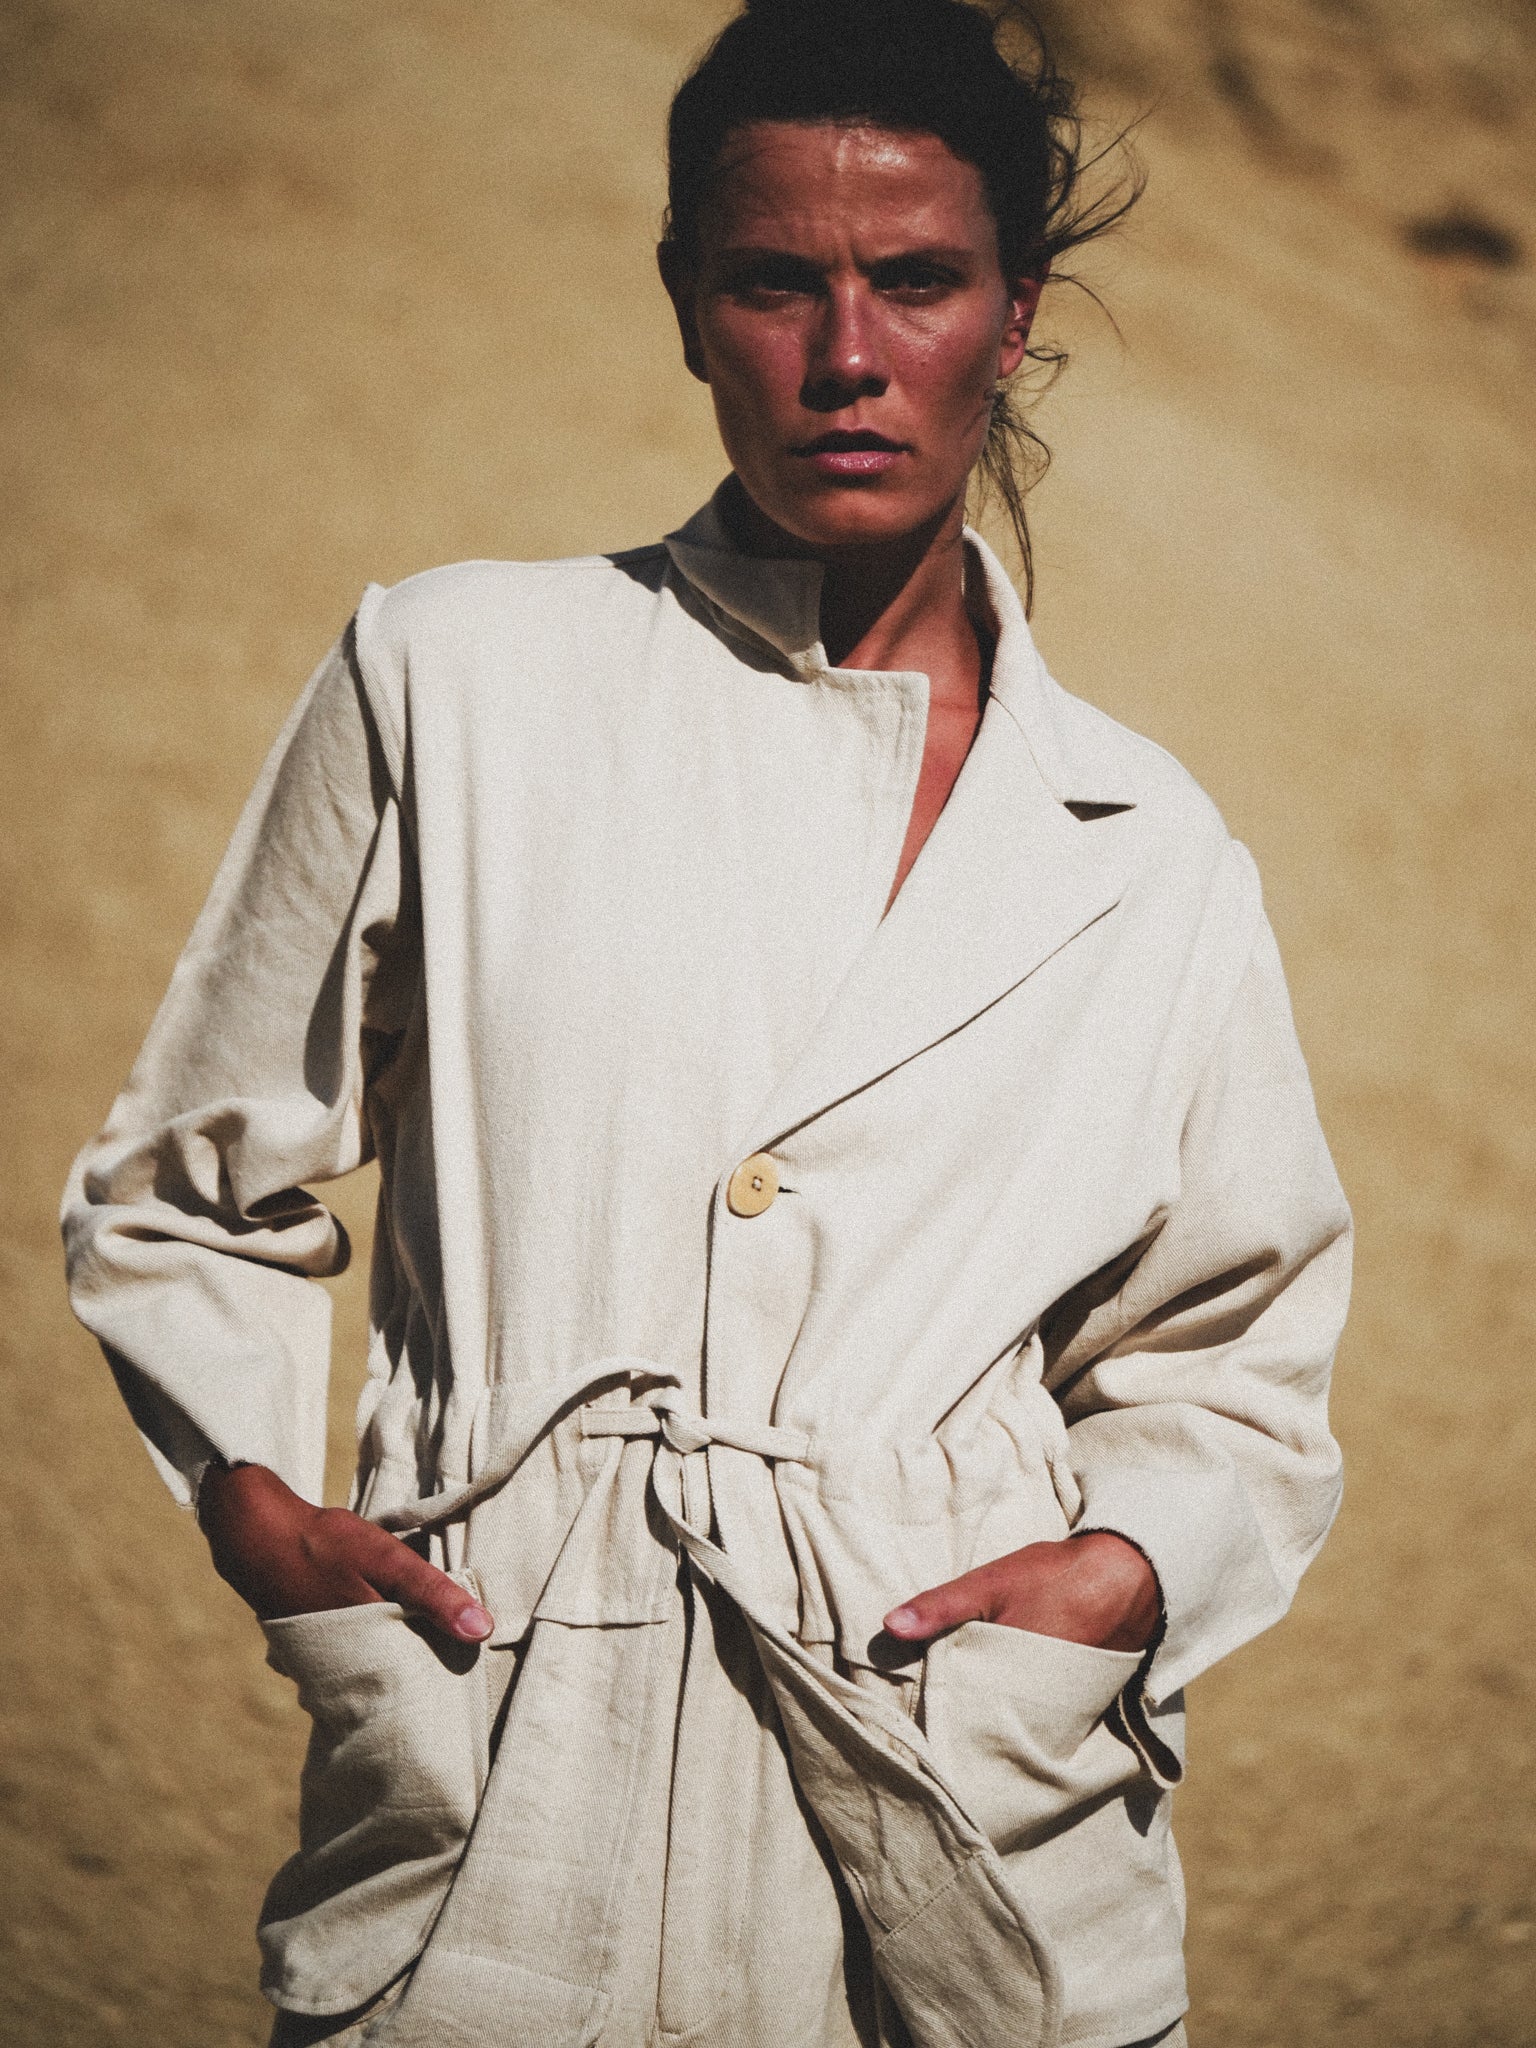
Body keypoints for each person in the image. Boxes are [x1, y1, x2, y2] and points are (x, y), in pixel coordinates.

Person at [61, 2, 1351, 2044]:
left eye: (917, 281)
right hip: (493, 1785)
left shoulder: (1146, 847)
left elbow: (1238, 1370)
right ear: (686, 306)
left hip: (960, 1829)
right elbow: (184, 1187)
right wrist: (260, 1507)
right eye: (776, 282)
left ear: (1013, 316)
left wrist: (1104, 1583)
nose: (848, 357)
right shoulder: (455, 680)